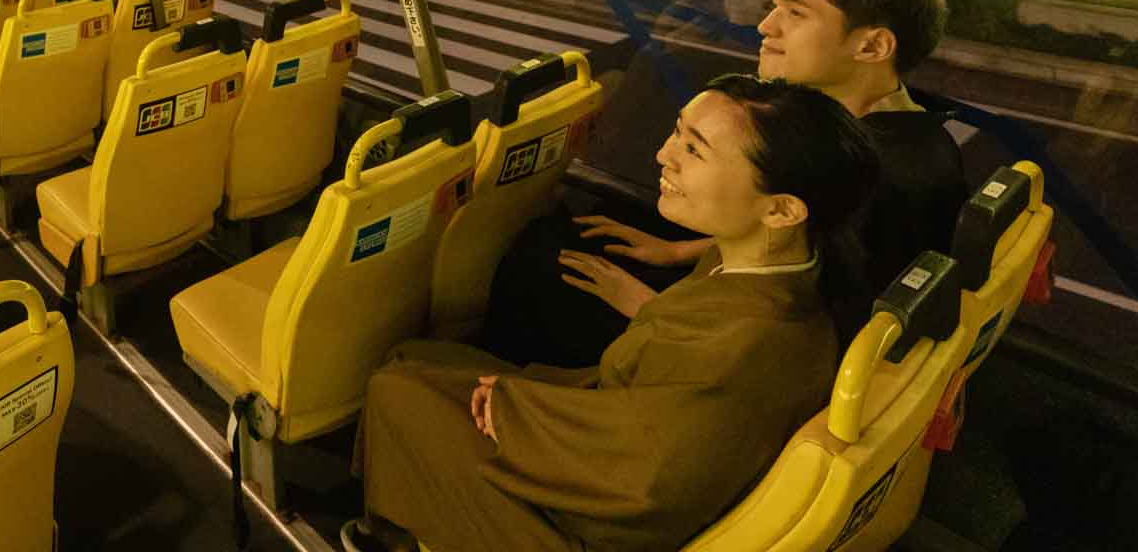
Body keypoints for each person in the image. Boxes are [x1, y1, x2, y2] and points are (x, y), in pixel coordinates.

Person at [342, 76, 881, 552]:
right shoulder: (769, 269)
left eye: (694, 150)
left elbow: (647, 480)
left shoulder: (750, 343)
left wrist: (514, 412)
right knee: (414, 358)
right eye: (677, 133)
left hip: (589, 527)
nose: (663, 155)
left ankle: (393, 531)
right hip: (609, 438)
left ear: (781, 209)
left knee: (396, 389)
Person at [483, 0, 965, 370]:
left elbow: (811, 347)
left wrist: (648, 307)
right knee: (566, 236)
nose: (765, 26)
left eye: (795, 13)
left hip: (737, 353)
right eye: (774, 7)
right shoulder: (877, 128)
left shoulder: (881, 180)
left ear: (873, 45)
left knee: (540, 274)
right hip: (736, 296)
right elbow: (800, 243)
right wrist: (677, 252)